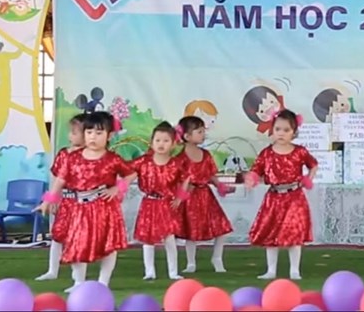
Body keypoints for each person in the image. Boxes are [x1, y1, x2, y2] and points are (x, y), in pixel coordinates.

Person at [36, 111, 135, 292]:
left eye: (99, 133)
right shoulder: (73, 158)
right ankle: (78, 282)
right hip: (80, 208)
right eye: (89, 132)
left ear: (109, 135)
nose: (93, 137)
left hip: (105, 208)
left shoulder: (113, 159)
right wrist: (48, 200)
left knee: (108, 245)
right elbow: (60, 179)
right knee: (78, 243)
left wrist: (117, 188)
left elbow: (131, 173)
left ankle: (103, 282)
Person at [245, 109, 317, 280]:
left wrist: (308, 179)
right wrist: (251, 179)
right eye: (277, 129)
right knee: (271, 233)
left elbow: (313, 164)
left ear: (294, 132)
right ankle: (271, 270)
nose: (281, 133)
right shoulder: (266, 153)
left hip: (295, 197)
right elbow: (256, 170)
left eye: (286, 130)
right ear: (272, 130)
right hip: (273, 197)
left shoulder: (300, 152)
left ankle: (294, 270)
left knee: (295, 233)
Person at [175, 115, 234, 274]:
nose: (203, 134)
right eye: (199, 132)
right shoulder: (180, 158)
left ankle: (217, 258)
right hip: (190, 199)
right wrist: (182, 191)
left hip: (206, 196)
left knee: (221, 227)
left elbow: (211, 175)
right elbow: (176, 179)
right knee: (191, 232)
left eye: (203, 131)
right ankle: (191, 263)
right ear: (187, 136)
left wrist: (221, 186)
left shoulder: (206, 155)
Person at [133, 122, 189, 281]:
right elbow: (129, 173)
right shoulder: (144, 162)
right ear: (151, 143)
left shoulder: (176, 163)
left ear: (173, 144)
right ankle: (149, 271)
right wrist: (120, 188)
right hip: (149, 204)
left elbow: (186, 179)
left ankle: (173, 272)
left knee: (169, 238)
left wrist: (180, 197)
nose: (161, 144)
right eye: (157, 140)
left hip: (166, 204)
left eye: (165, 141)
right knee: (148, 240)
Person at [37, 113, 87, 281]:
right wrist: (53, 199)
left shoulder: (89, 156)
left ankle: (78, 277)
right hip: (65, 201)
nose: (70, 135)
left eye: (75, 132)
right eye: (70, 132)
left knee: (78, 238)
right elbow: (57, 179)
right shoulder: (64, 154)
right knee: (58, 235)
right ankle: (52, 270)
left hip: (81, 203)